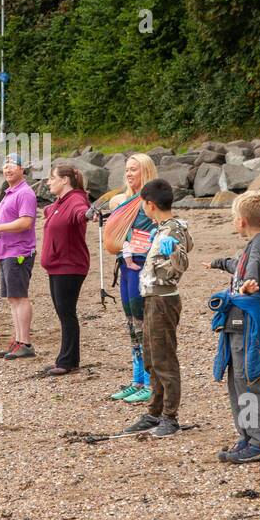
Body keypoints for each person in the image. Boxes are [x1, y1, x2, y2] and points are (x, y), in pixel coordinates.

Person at [207, 190, 260, 464]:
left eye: (233, 218)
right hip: (234, 322)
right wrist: (218, 264)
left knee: (248, 376)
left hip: (246, 322)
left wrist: (250, 282)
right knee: (235, 378)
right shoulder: (253, 244)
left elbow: (252, 266)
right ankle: (248, 436)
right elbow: (237, 264)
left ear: (241, 220)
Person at [120, 179, 193, 438]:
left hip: (164, 299)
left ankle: (170, 417)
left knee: (164, 359)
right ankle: (155, 411)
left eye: (143, 205)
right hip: (152, 297)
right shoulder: (163, 228)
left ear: (150, 205)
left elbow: (182, 261)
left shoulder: (173, 230)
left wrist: (173, 251)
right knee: (152, 357)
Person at [106, 153, 159, 404]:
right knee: (130, 321)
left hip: (141, 266)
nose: (128, 174)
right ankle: (137, 379)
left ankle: (149, 381)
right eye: (127, 170)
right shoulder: (125, 201)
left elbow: (156, 232)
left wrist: (133, 245)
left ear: (145, 172)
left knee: (142, 321)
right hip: (125, 266)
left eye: (134, 170)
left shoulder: (151, 201)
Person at [41, 163, 91, 375]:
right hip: (57, 265)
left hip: (70, 266)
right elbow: (53, 212)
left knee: (67, 313)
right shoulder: (61, 202)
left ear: (65, 180)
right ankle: (66, 357)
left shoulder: (76, 200)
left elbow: (81, 213)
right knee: (63, 313)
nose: (48, 182)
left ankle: (68, 361)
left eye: (52, 178)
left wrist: (89, 215)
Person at [0, 154, 38, 358]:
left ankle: (25, 342)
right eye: (5, 165)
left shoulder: (25, 193)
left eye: (12, 165)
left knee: (20, 297)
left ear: (22, 170)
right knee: (12, 298)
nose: (8, 169)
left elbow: (26, 222)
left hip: (19, 252)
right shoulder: (9, 192)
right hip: (6, 251)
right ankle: (18, 340)